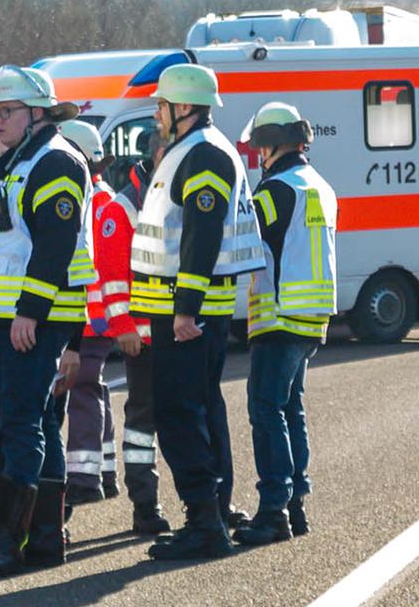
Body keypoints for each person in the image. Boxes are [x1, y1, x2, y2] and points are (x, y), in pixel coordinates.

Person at [0, 65, 95, 578]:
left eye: (4, 112)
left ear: (36, 114)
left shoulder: (54, 162)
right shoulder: (20, 161)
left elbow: (54, 244)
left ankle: (9, 540)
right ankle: (46, 538)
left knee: (20, 425)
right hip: (4, 318)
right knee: (37, 423)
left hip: (29, 319)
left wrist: (29, 310)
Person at [133, 64, 265, 562]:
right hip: (186, 309)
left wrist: (185, 309)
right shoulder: (195, 150)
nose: (157, 112)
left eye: (162, 105)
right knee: (203, 408)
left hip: (186, 312)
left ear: (183, 108)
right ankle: (215, 511)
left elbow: (201, 235)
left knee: (181, 413)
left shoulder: (203, 153)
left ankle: (204, 521)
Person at [235, 103, 337, 546]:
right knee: (290, 408)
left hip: (278, 316)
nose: (258, 156)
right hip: (313, 316)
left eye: (260, 147)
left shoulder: (275, 193)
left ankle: (273, 509)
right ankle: (295, 505)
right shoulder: (321, 187)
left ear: (273, 145)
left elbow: (248, 246)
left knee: (266, 410)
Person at [106, 123, 172, 536]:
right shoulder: (124, 206)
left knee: (184, 419)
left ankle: (204, 503)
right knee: (142, 424)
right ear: (157, 154)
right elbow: (111, 276)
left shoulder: (172, 196)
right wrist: (124, 326)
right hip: (144, 338)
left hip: (178, 333)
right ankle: (144, 506)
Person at [56, 118, 121, 506]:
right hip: (96, 317)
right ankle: (106, 469)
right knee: (94, 391)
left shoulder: (91, 201)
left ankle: (84, 477)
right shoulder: (102, 197)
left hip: (88, 318)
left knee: (82, 391)